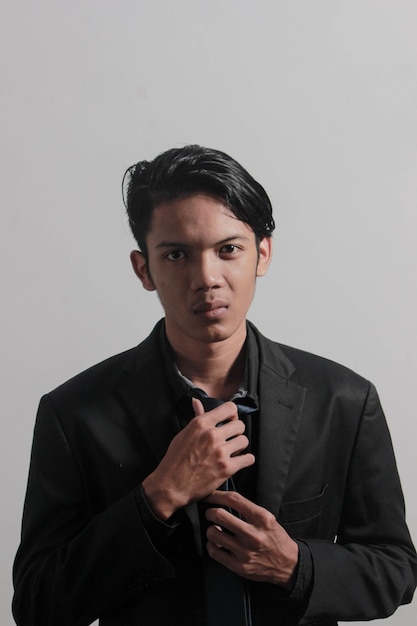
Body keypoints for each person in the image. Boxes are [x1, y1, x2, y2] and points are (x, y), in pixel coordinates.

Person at [13, 145, 417, 626]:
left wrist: (295, 566)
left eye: (228, 249)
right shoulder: (74, 414)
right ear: (144, 269)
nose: (206, 278)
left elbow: (396, 570)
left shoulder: (344, 400)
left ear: (261, 253)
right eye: (178, 255)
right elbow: (38, 604)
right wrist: (157, 496)